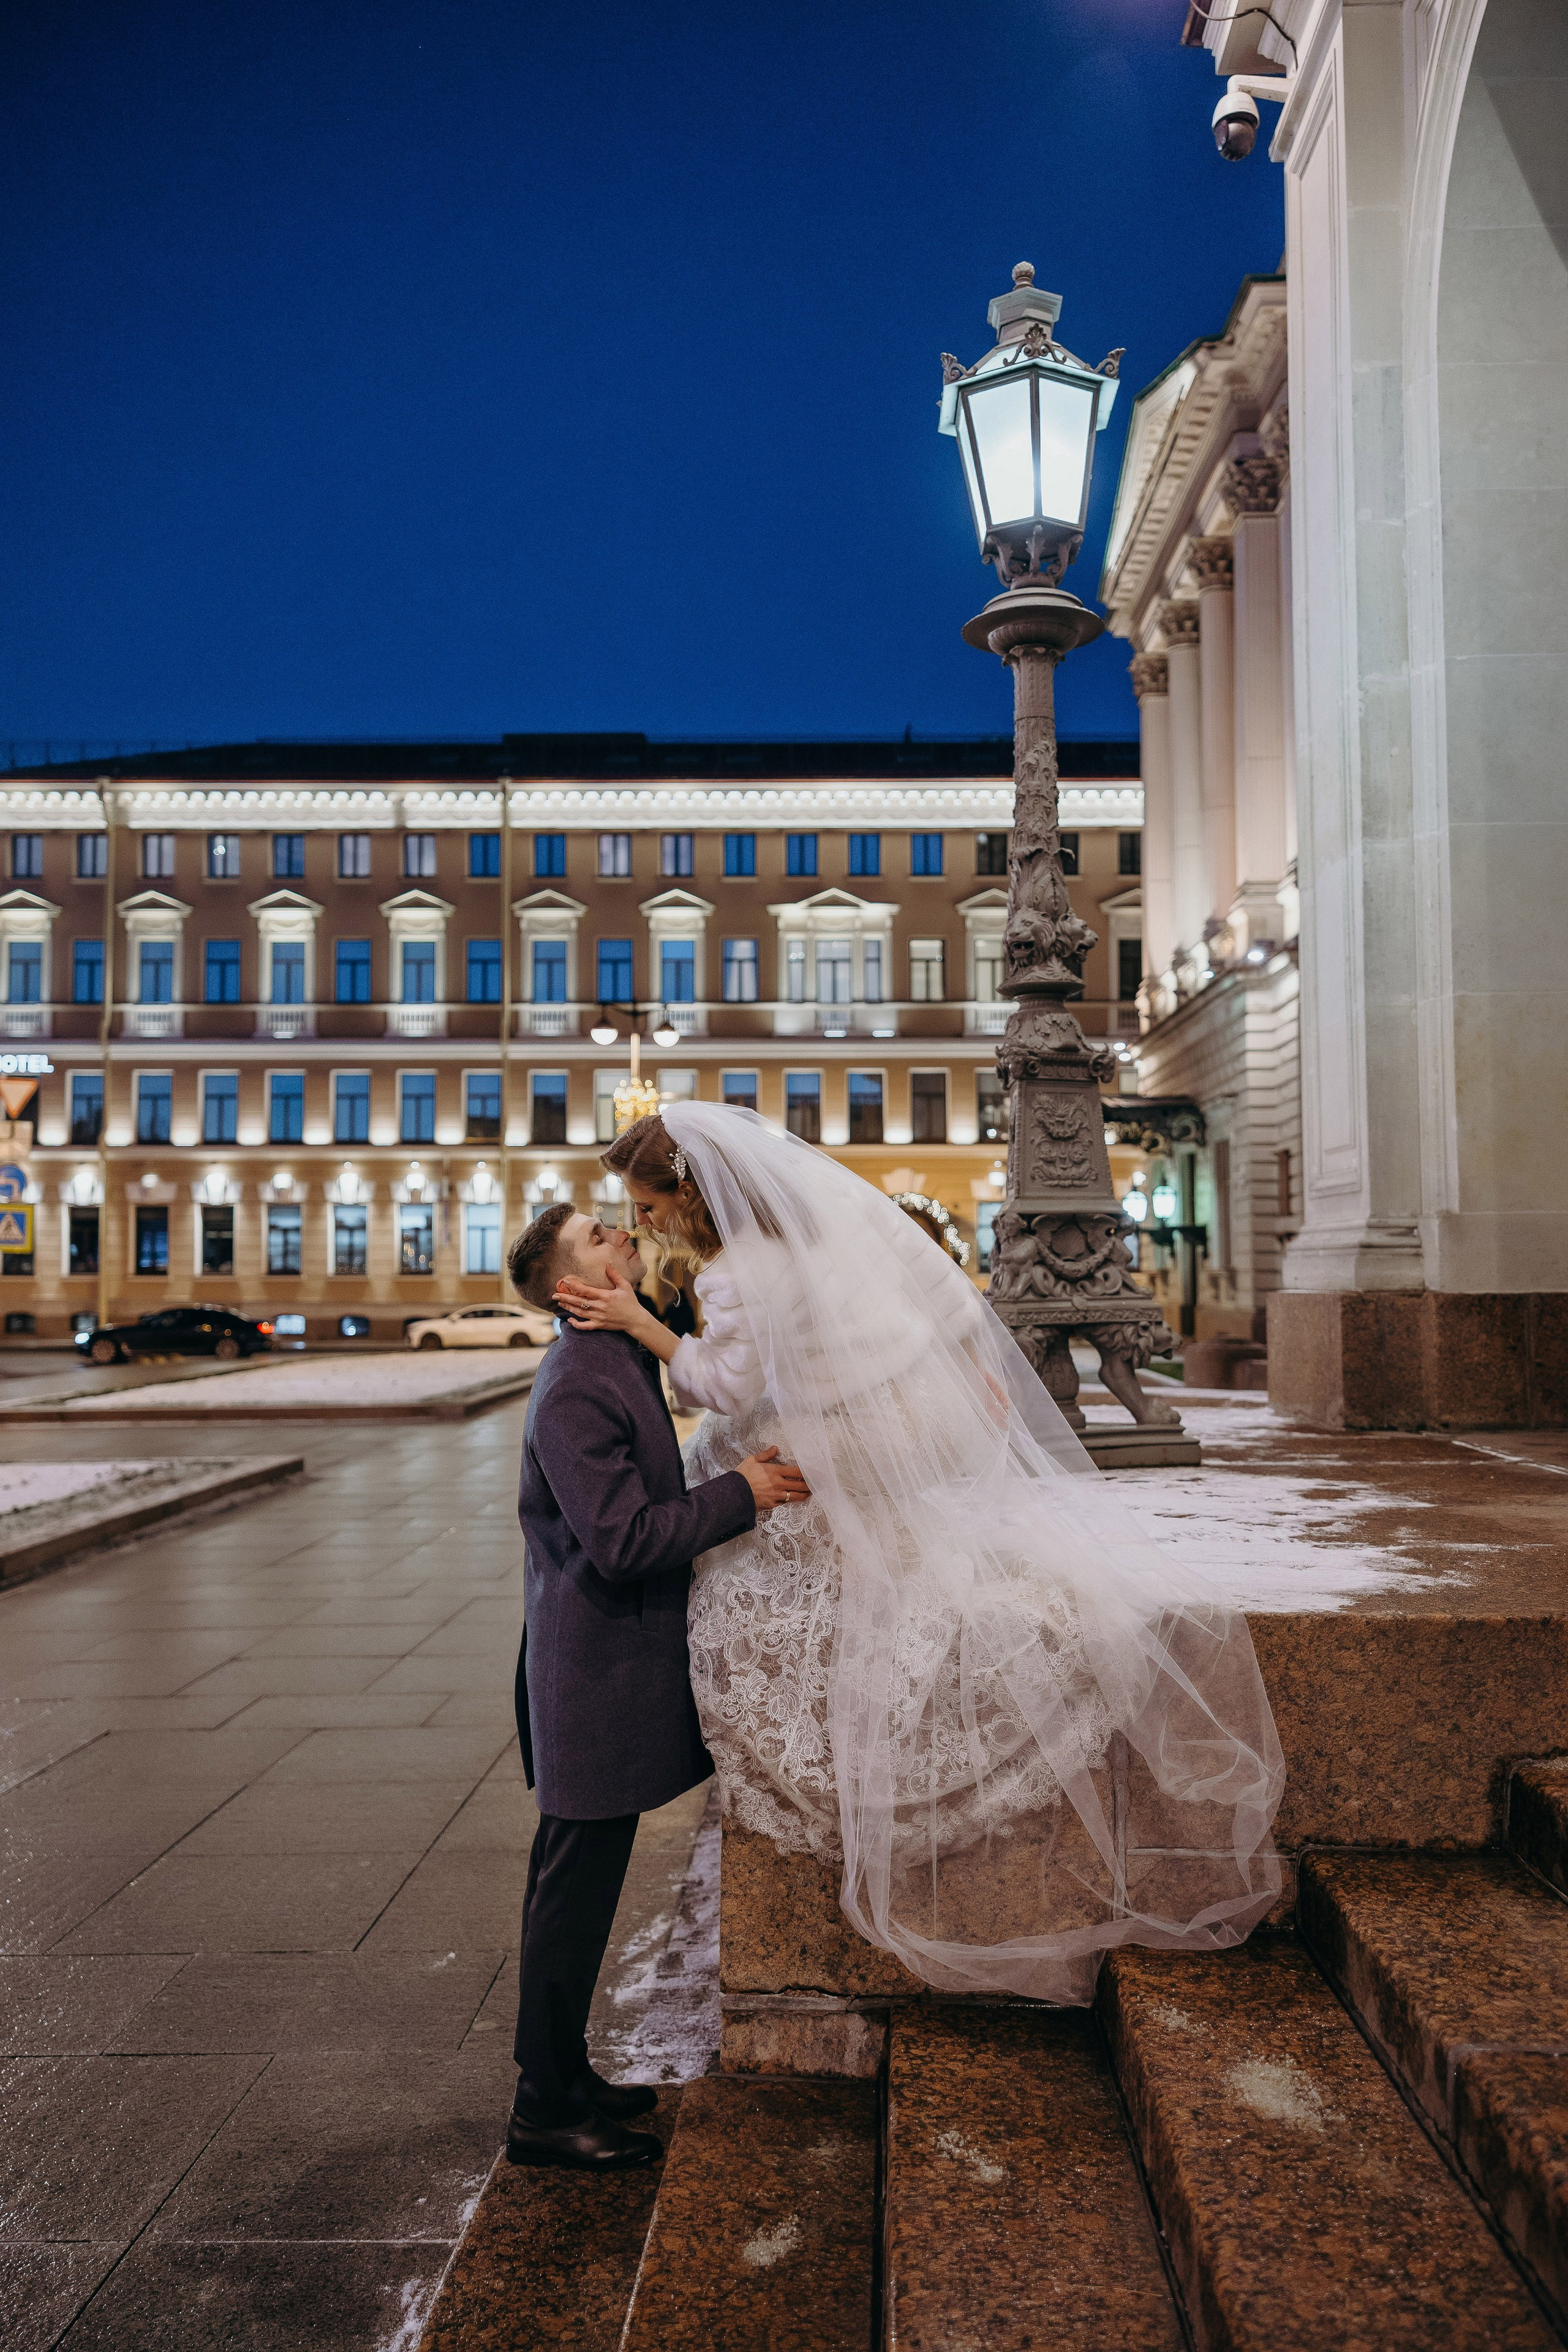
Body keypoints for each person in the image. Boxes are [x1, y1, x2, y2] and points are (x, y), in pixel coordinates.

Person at [554, 1103, 1287, 2008]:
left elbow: (721, 1384)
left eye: (649, 1205)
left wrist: (643, 1326)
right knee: (820, 1517)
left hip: (841, 1444)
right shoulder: (816, 1230)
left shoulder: (741, 1271)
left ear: (693, 1194)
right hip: (891, 1421)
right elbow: (938, 1295)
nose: (643, 1223)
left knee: (748, 1511)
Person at [506, 1200, 809, 2169]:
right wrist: (742, 1494)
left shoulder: (616, 1355)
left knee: (576, 1884)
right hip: (590, 1674)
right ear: (573, 1286)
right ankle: (543, 2109)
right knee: (572, 1892)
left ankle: (565, 2074)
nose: (623, 1234)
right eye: (600, 1236)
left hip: (603, 1664)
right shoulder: (576, 1386)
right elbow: (623, 1538)